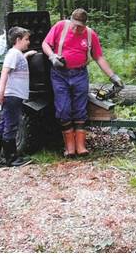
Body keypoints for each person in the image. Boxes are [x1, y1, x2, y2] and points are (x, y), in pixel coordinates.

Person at [42, 8, 124, 158]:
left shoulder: (90, 35)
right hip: (60, 74)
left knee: (80, 109)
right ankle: (69, 146)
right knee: (63, 109)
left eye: (80, 26)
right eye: (75, 24)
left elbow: (99, 57)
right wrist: (52, 56)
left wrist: (113, 76)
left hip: (80, 74)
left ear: (85, 24)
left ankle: (80, 146)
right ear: (71, 20)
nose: (77, 28)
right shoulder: (61, 26)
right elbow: (45, 44)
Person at [0, 26, 35, 167]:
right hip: (12, 95)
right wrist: (1, 92)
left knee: (3, 124)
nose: (28, 42)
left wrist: (26, 56)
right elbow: (5, 72)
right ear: (18, 40)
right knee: (11, 125)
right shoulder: (13, 54)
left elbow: (16, 65)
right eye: (26, 39)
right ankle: (11, 158)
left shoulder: (17, 54)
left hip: (14, 95)